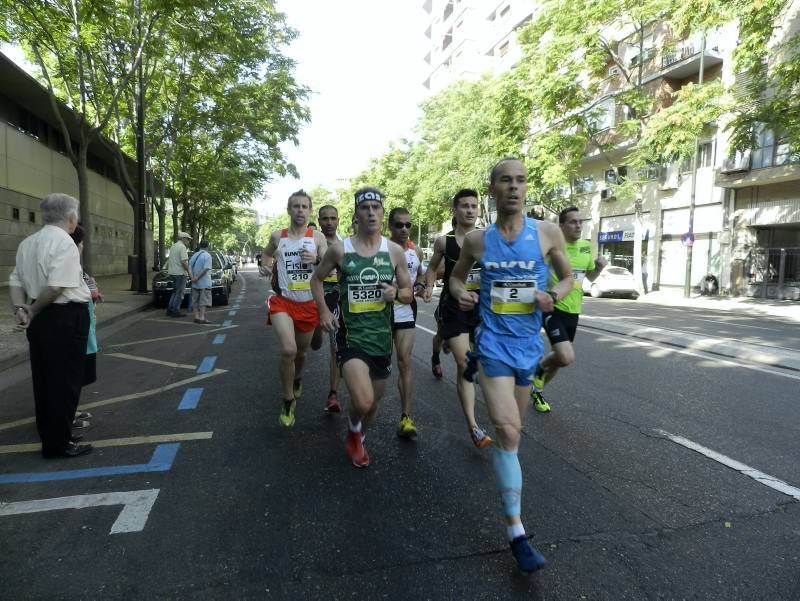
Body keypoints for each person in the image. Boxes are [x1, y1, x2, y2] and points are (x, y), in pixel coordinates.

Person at [449, 158, 573, 573]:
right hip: (494, 344)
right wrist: (461, 294)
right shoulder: (477, 241)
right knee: (506, 427)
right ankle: (516, 531)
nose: (514, 188)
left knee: (512, 440)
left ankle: (512, 511)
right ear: (493, 189)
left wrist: (552, 296)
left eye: (520, 181)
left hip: (528, 347)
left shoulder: (547, 233)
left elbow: (570, 278)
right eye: (506, 181)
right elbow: (455, 278)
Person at [312, 187, 412, 468]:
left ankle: (356, 432)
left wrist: (397, 294)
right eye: (365, 207)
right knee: (364, 400)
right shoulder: (340, 249)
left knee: (372, 409)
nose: (371, 212)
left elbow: (408, 292)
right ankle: (355, 432)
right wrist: (323, 311)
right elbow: (317, 280)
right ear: (356, 214)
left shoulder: (394, 252)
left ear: (382, 213)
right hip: (351, 337)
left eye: (376, 208)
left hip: (382, 339)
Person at [9, 193, 93, 458]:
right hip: (65, 318)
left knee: (44, 380)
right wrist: (31, 310)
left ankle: (54, 435)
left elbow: (15, 282)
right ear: (71, 217)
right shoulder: (65, 243)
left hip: (42, 319)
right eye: (76, 214)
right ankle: (58, 444)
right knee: (66, 382)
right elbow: (56, 287)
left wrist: (21, 310)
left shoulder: (28, 243)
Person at [423, 190, 492, 449]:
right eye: (464, 206)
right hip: (454, 306)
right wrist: (429, 285)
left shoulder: (488, 239)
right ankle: (474, 427)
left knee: (483, 361)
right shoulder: (445, 241)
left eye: (474, 205)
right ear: (455, 210)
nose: (470, 210)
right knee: (465, 363)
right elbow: (432, 268)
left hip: (482, 307)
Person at [260, 190, 328, 427]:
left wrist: (317, 261)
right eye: (295, 206)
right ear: (288, 210)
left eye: (304, 206)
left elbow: (330, 268)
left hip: (308, 304)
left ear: (310, 211)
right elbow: (266, 255)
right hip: (282, 302)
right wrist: (265, 267)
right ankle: (288, 399)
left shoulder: (317, 238)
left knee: (301, 352)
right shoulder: (278, 236)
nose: (300, 210)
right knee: (288, 350)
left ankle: (297, 379)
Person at [530, 207, 607, 412]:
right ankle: (537, 371)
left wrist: (599, 267)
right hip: (553, 307)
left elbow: (589, 278)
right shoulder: (552, 247)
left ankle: (537, 391)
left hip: (574, 310)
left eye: (580, 221)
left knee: (558, 361)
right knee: (564, 356)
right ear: (561, 226)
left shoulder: (585, 247)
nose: (578, 225)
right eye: (573, 222)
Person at [388, 206, 425, 439]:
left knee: (404, 361)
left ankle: (406, 417)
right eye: (399, 225)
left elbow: (421, 273)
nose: (404, 229)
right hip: (379, 310)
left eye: (408, 225)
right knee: (378, 365)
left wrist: (420, 285)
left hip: (405, 308)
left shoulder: (416, 251)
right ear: (390, 226)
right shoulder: (382, 249)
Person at [68, 224, 101, 429]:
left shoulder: (75, 265)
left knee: (79, 372)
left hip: (85, 325)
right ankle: (67, 414)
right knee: (73, 373)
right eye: (81, 244)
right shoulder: (69, 264)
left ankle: (71, 410)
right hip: (77, 326)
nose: (83, 247)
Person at [314, 204, 343, 413]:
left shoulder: (344, 246)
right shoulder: (311, 241)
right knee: (314, 344)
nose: (329, 222)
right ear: (319, 221)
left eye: (333, 218)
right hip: (311, 300)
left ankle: (333, 394)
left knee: (336, 348)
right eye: (325, 218)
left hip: (335, 300)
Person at [166, 232, 192, 317]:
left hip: (172, 272)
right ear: (183, 238)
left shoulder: (173, 246)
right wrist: (189, 272)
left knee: (174, 292)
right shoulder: (182, 247)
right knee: (180, 292)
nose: (188, 241)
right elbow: (184, 262)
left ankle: (170, 309)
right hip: (180, 273)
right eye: (188, 239)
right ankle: (175, 310)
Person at [189, 240, 214, 324]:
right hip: (204, 282)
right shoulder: (207, 256)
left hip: (194, 283)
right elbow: (206, 269)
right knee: (203, 301)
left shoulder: (194, 255)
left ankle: (196, 317)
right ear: (207, 246)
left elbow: (189, 268)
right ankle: (202, 317)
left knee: (195, 300)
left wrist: (192, 278)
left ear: (199, 246)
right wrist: (197, 278)